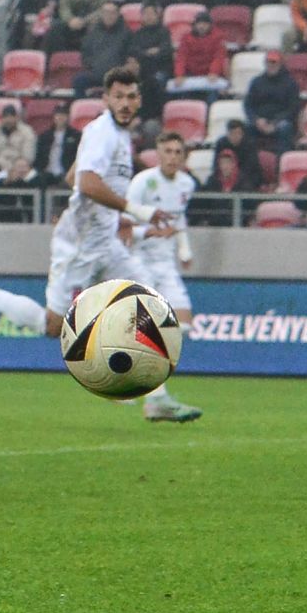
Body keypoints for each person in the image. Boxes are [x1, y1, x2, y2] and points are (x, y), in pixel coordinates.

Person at [0, 65, 199, 422]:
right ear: (106, 99)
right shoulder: (103, 132)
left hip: (104, 240)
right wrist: (136, 211)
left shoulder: (118, 136)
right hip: (80, 245)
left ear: (139, 100)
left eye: (131, 96)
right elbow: (87, 183)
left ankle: (157, 399)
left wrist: (103, 214)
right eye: (118, 96)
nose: (125, 103)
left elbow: (74, 176)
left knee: (151, 305)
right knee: (52, 326)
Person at [118, 131, 204, 421]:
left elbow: (179, 219)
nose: (173, 157)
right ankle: (154, 397)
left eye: (178, 152)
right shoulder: (142, 182)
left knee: (184, 325)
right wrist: (151, 232)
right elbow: (123, 228)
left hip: (166, 264)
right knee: (155, 328)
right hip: (138, 261)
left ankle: (132, 375)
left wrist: (184, 250)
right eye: (168, 151)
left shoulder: (186, 184)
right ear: (157, 154)